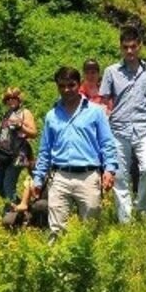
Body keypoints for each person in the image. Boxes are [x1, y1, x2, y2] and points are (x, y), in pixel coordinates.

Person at [32, 66, 118, 238]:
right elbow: (45, 150)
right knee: (56, 229)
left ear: (79, 85)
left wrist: (109, 169)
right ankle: (57, 262)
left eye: (71, 85)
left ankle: (87, 263)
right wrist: (38, 178)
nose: (66, 90)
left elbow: (107, 143)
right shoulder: (52, 116)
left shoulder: (95, 112)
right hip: (60, 176)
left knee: (90, 227)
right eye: (62, 86)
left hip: (88, 175)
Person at [100, 26, 146, 223]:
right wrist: (102, 130)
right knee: (120, 175)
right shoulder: (111, 72)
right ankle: (125, 217)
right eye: (125, 47)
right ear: (121, 47)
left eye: (133, 47)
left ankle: (144, 207)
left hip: (144, 128)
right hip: (118, 129)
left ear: (140, 47)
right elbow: (104, 102)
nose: (129, 51)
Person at [0, 87, 37, 205]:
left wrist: (20, 126)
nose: (10, 101)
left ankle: (15, 213)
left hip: (18, 155)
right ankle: (18, 204)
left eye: (13, 98)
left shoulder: (25, 112)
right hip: (3, 154)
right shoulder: (7, 114)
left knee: (8, 185)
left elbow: (34, 133)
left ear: (19, 99)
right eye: (8, 99)